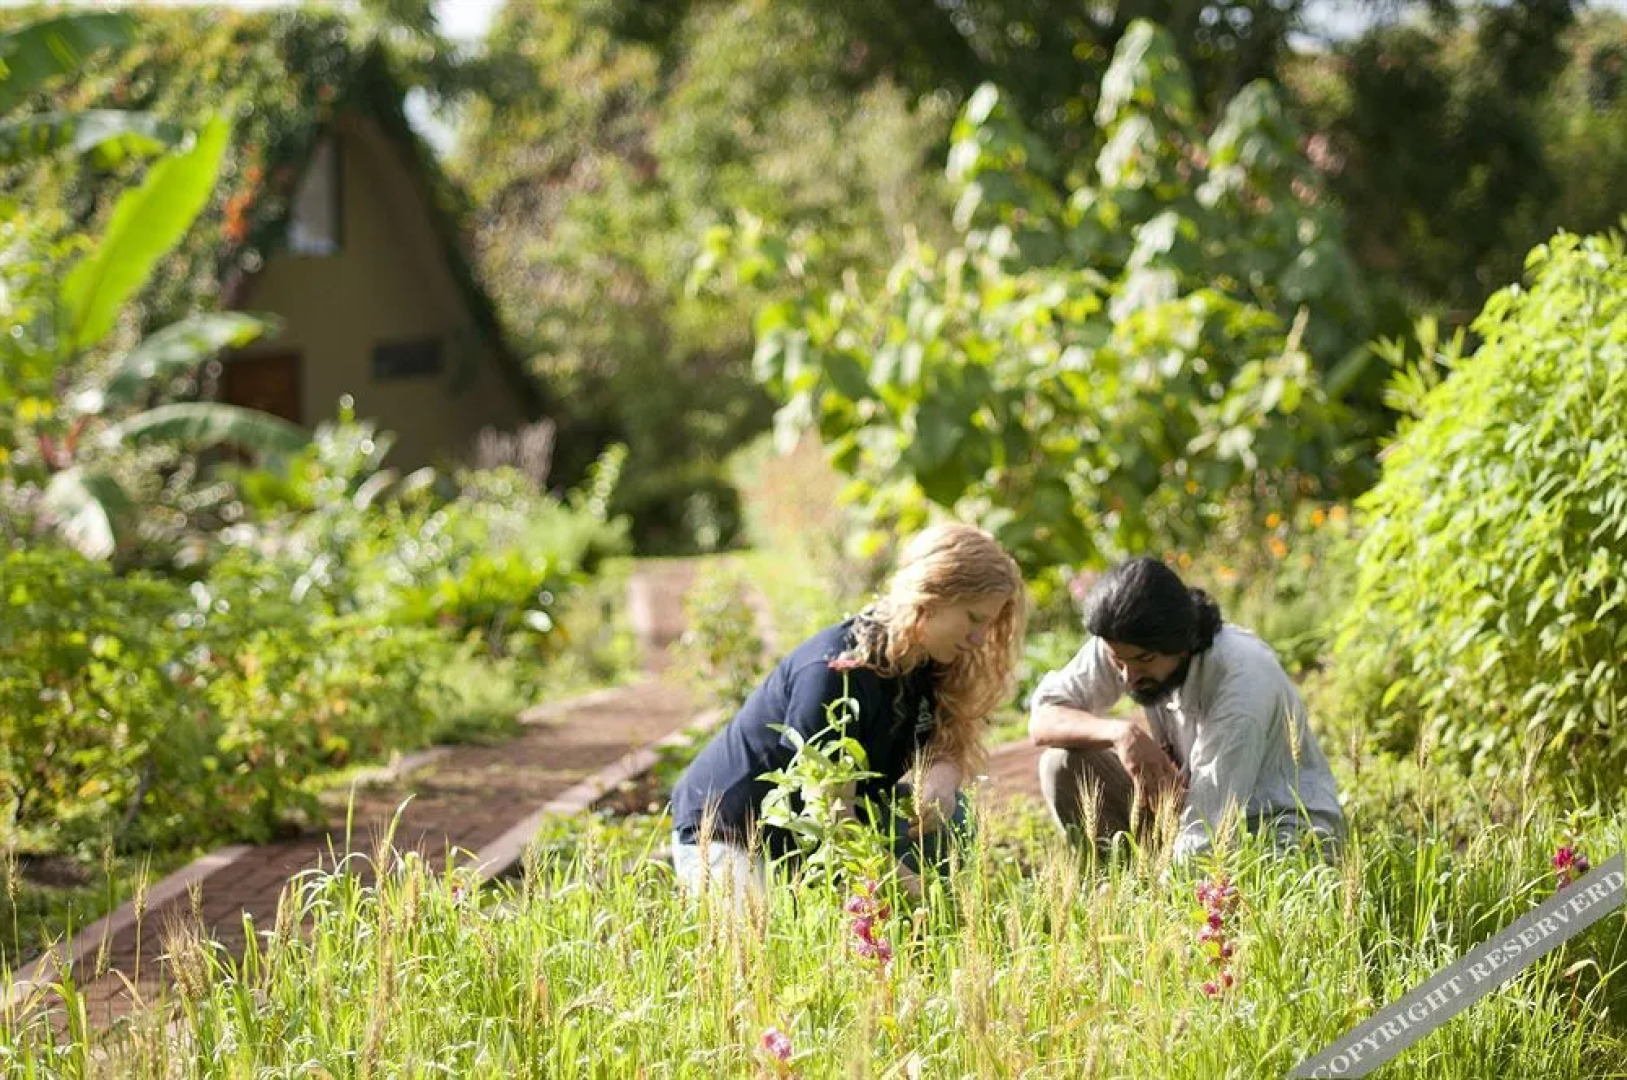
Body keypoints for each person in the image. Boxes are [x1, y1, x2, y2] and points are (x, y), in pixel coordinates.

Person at [669, 522, 1026, 893]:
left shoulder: (932, 660)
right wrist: (914, 891)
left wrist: (943, 776)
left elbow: (945, 743)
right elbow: (830, 813)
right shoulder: (833, 671)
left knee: (953, 816)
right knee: (763, 946)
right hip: (731, 831)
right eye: (973, 619)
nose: (979, 638)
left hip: (815, 836)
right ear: (931, 595)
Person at [1029, 556, 1344, 862]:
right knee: (1062, 764)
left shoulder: (1240, 685)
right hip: (1190, 817)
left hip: (1273, 836)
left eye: (1144, 661)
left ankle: (1136, 897)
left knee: (1217, 872)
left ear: (1182, 641)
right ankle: (1113, 882)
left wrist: (1153, 904)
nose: (1128, 677)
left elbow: (1205, 836)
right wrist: (1120, 733)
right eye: (1117, 662)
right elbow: (1045, 717)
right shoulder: (1128, 644)